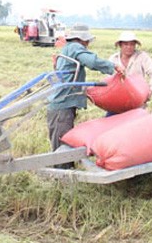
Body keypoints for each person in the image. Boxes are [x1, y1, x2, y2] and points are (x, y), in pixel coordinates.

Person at [47, 24, 124, 169]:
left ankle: (64, 172)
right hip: (61, 105)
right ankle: (63, 177)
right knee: (61, 145)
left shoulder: (66, 49)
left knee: (62, 141)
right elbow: (92, 62)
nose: (87, 44)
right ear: (81, 39)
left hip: (61, 103)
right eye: (87, 41)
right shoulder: (76, 48)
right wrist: (113, 67)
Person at [109, 31, 152, 100]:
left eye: (132, 44)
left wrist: (151, 90)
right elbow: (109, 79)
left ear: (135, 45)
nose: (129, 47)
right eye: (126, 44)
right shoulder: (113, 58)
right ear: (120, 45)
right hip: (118, 96)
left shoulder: (142, 56)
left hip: (138, 94)